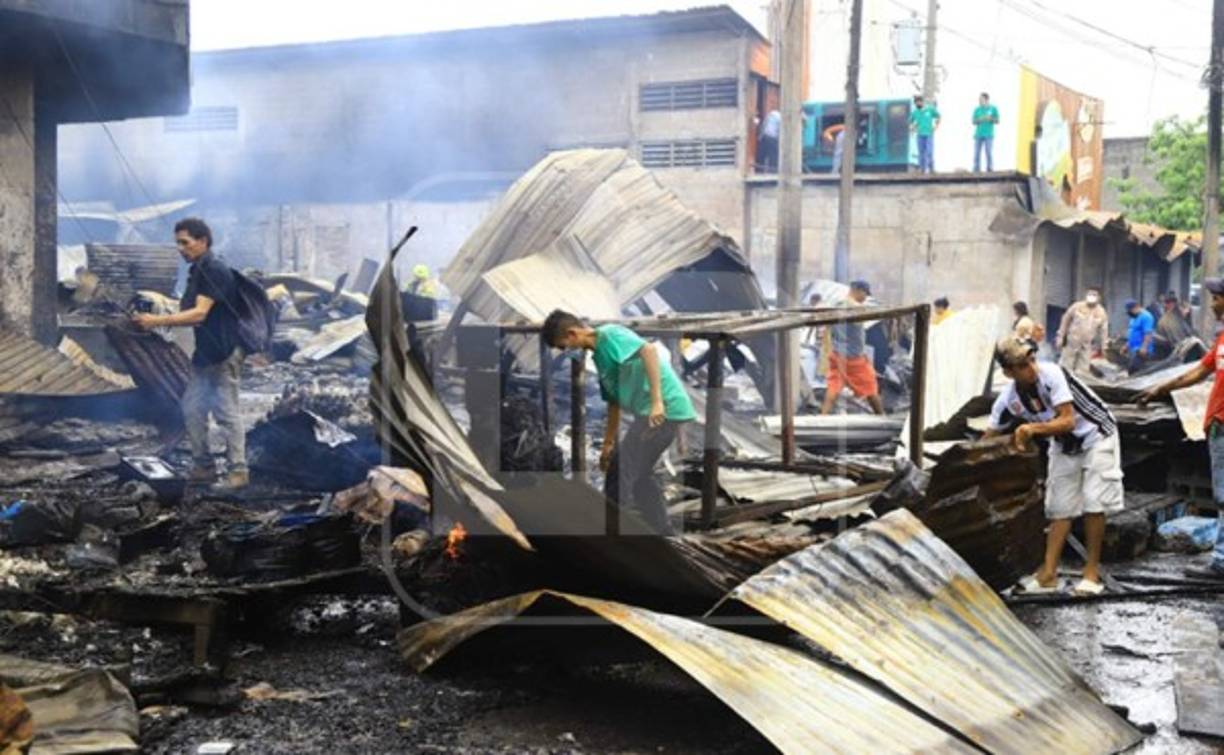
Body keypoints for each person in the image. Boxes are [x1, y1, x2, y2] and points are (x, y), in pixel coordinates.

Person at [986, 336, 1122, 595]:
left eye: (1032, 360)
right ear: (1008, 372)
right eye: (1023, 365)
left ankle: (1091, 574)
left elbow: (1068, 421)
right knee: (1059, 506)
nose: (1032, 368)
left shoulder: (1052, 375)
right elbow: (989, 435)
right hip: (1063, 444)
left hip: (1096, 434)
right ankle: (1048, 573)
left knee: (1095, 502)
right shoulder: (1008, 400)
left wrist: (1030, 429)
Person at [542, 309, 697, 535]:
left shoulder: (610, 335)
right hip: (654, 414)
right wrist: (607, 444)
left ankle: (613, 536)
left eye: (564, 346)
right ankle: (664, 532)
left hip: (663, 412)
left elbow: (649, 350)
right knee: (640, 475)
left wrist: (657, 402)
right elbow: (613, 402)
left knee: (620, 471)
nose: (567, 352)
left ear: (573, 333)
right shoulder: (600, 359)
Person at [135, 218, 248, 489]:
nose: (180, 248)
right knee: (192, 408)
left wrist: (156, 322)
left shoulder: (215, 270)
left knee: (226, 413)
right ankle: (203, 466)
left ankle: (238, 472)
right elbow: (189, 308)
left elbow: (199, 314)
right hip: (205, 354)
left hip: (223, 352)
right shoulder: (198, 270)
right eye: (177, 243)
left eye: (185, 242)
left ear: (203, 241)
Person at [1139, 277, 1224, 580]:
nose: (1212, 303)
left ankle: (1221, 562)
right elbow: (1201, 371)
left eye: (1216, 297)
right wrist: (1161, 389)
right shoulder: (1222, 340)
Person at [821, 280, 885, 415]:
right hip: (854, 359)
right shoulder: (856, 307)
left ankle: (822, 417)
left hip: (837, 355)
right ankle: (882, 417)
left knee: (833, 388)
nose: (865, 298)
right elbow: (861, 317)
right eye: (865, 294)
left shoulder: (836, 304)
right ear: (857, 290)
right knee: (871, 388)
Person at [1056, 287, 1108, 376]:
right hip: (1072, 342)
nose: (1092, 297)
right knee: (1065, 368)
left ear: (1099, 297)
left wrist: (1104, 347)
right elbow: (1065, 320)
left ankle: (1076, 388)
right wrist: (1060, 336)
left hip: (1086, 345)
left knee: (1083, 371)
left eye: (1094, 295)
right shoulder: (1077, 306)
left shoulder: (1101, 312)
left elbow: (1104, 331)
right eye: (1090, 294)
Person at [1154, 291, 1196, 358]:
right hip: (1169, 355)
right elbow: (1178, 342)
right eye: (1184, 308)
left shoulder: (1179, 318)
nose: (1187, 311)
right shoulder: (1169, 320)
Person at [909, 95, 940, 173]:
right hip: (920, 134)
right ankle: (922, 169)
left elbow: (938, 116)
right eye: (916, 103)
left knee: (929, 151)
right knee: (921, 152)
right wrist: (912, 127)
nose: (917, 104)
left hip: (929, 133)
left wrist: (936, 126)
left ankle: (931, 168)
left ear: (922, 102)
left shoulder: (929, 109)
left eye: (918, 102)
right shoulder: (915, 112)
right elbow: (910, 121)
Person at [1124, 299, 1155, 374]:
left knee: (1133, 370)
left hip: (1141, 350)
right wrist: (1126, 345)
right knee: (1131, 368)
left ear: (1137, 307)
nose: (1130, 313)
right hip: (1133, 349)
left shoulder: (1146, 317)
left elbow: (1148, 333)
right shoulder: (1134, 317)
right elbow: (1132, 332)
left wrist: (1144, 347)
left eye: (1131, 310)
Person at [972, 92, 999, 172]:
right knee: (976, 153)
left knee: (988, 152)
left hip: (989, 134)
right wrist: (979, 119)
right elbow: (973, 121)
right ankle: (976, 169)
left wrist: (990, 118)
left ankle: (990, 168)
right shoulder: (977, 109)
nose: (979, 101)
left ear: (986, 99)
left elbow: (997, 120)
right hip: (978, 134)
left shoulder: (993, 108)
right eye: (979, 99)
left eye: (981, 99)